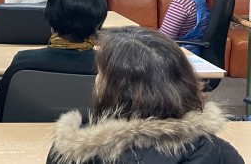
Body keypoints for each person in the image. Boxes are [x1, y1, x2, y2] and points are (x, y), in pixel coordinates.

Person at [47, 26, 244, 164]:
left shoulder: (72, 154)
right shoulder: (221, 155)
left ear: (112, 89)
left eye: (100, 73)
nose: (96, 79)